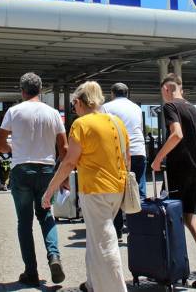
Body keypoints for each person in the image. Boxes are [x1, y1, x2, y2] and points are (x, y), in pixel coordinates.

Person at [42, 81, 130, 292]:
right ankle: (93, 284)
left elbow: (69, 162)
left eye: (74, 105)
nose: (74, 109)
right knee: (95, 238)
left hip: (95, 189)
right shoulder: (117, 122)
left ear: (80, 102)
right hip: (117, 187)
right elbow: (128, 159)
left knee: (105, 243)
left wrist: (50, 190)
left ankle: (116, 288)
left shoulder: (81, 125)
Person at [0, 72, 68, 287]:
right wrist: (64, 176)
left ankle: (31, 271)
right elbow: (63, 148)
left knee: (24, 223)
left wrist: (13, 148)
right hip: (47, 170)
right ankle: (54, 256)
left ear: (22, 90)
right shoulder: (53, 113)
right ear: (41, 89)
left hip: (22, 170)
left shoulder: (13, 111)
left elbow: (0, 145)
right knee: (46, 215)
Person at [151, 73, 196, 288]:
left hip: (177, 171)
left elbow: (176, 134)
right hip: (193, 171)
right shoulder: (193, 109)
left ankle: (172, 270)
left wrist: (158, 158)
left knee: (170, 217)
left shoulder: (170, 107)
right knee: (190, 217)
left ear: (167, 89)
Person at [101, 82, 147, 240]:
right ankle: (140, 228)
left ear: (112, 93)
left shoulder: (106, 108)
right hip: (139, 151)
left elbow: (104, 132)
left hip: (118, 153)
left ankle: (118, 230)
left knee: (117, 190)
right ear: (128, 93)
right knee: (138, 188)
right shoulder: (136, 108)